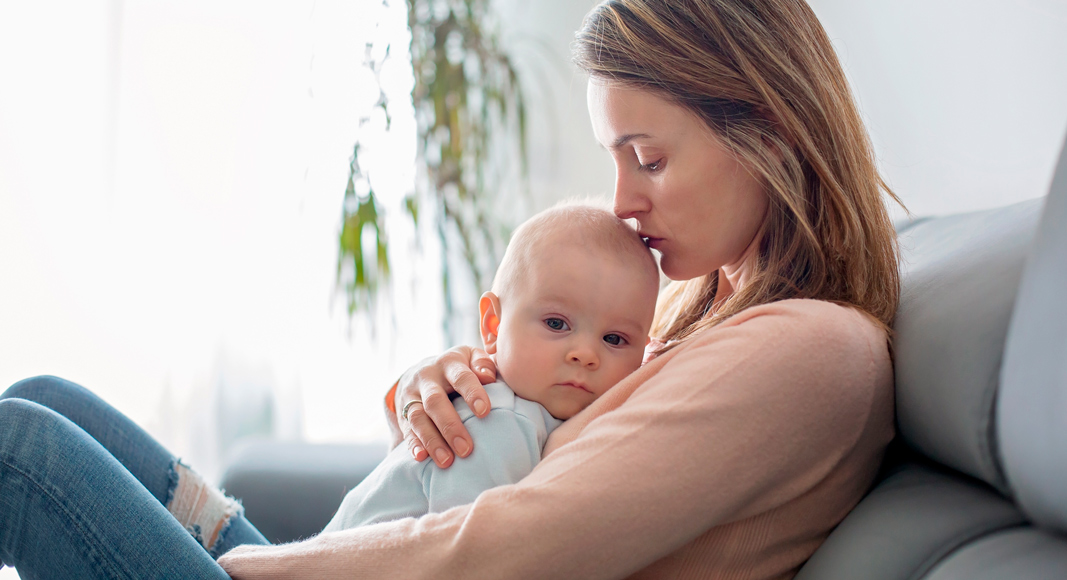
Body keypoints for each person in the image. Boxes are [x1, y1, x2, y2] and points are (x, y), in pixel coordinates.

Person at [2, 0, 901, 578]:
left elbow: (520, 546)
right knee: (42, 399)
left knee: (16, 448)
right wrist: (452, 384)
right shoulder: (696, 323)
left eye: (651, 159)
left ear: (773, 131)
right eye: (613, 162)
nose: (623, 203)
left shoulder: (815, 348)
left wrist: (255, 569)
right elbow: (522, 459)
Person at [323, 203, 658, 530]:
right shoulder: (498, 420)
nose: (585, 354)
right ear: (493, 325)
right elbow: (465, 553)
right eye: (556, 323)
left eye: (614, 339)